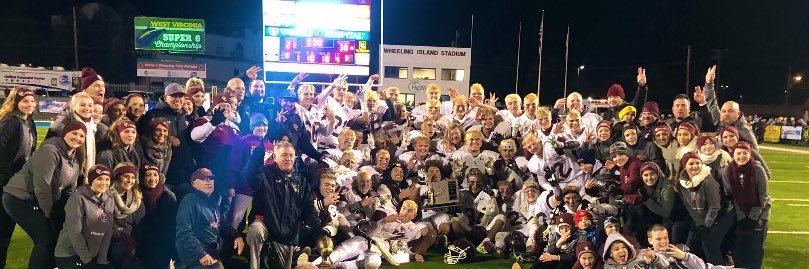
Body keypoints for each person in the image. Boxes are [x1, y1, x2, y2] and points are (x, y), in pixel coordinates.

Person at [3, 121, 86, 269]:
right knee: (45, 238)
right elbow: (42, 185)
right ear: (65, 133)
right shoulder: (50, 150)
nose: (77, 138)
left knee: (57, 235)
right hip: (19, 198)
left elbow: (69, 190)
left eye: (81, 135)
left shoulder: (75, 158)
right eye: (74, 133)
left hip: (38, 200)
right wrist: (48, 213)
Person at [241, 141, 322, 269]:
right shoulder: (264, 174)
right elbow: (249, 176)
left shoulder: (302, 182)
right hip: (265, 225)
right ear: (275, 157)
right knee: (255, 230)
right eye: (284, 155)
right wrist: (256, 156)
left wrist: (319, 230)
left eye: (291, 155)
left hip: (287, 236)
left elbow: (309, 209)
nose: (288, 158)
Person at [0, 88, 37, 267]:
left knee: (6, 229)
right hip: (5, 183)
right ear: (16, 103)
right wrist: (8, 178)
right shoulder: (10, 122)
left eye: (32, 101)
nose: (29, 105)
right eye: (25, 101)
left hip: (16, 184)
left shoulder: (29, 122)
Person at [176, 168, 241, 269]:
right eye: (202, 178)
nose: (208, 181)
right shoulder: (189, 200)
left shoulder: (212, 201)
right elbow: (184, 233)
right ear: (193, 184)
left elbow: (222, 224)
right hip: (195, 255)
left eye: (211, 178)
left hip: (211, 253)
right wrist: (200, 254)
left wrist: (236, 235)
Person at [677, 151, 734, 265]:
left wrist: (706, 224)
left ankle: (719, 266)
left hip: (721, 216)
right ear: (684, 166)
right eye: (691, 163)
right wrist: (699, 223)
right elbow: (689, 206)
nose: (695, 166)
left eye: (698, 163)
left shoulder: (708, 180)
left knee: (709, 244)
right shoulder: (682, 182)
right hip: (702, 219)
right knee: (691, 246)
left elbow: (715, 206)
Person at [137, 83, 194, 196]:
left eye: (180, 96)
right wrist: (168, 138)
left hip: (184, 175)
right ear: (165, 97)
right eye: (173, 96)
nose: (177, 99)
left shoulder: (185, 116)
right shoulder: (152, 115)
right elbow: (143, 139)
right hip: (163, 176)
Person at [54, 165, 114, 269]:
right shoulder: (77, 199)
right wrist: (88, 261)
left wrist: (102, 260)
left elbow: (107, 232)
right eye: (99, 179)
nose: (104, 183)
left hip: (92, 256)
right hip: (70, 254)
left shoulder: (109, 201)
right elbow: (75, 232)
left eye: (107, 179)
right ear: (91, 180)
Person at [722, 142, 770, 268]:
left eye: (745, 153)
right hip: (740, 214)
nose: (742, 156)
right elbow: (731, 196)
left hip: (760, 213)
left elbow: (763, 196)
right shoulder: (727, 171)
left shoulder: (758, 169)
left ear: (750, 154)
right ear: (733, 155)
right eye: (738, 153)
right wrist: (742, 216)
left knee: (755, 247)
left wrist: (753, 217)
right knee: (740, 248)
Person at [134, 164, 178, 269]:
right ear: (141, 177)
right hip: (140, 240)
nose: (153, 178)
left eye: (155, 174)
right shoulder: (135, 194)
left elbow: (171, 226)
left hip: (161, 243)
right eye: (148, 175)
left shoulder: (167, 196)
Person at [107, 163, 144, 269]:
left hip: (129, 242)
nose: (130, 181)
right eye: (126, 176)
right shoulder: (105, 196)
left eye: (133, 177)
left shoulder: (137, 200)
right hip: (108, 239)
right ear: (117, 177)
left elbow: (139, 227)